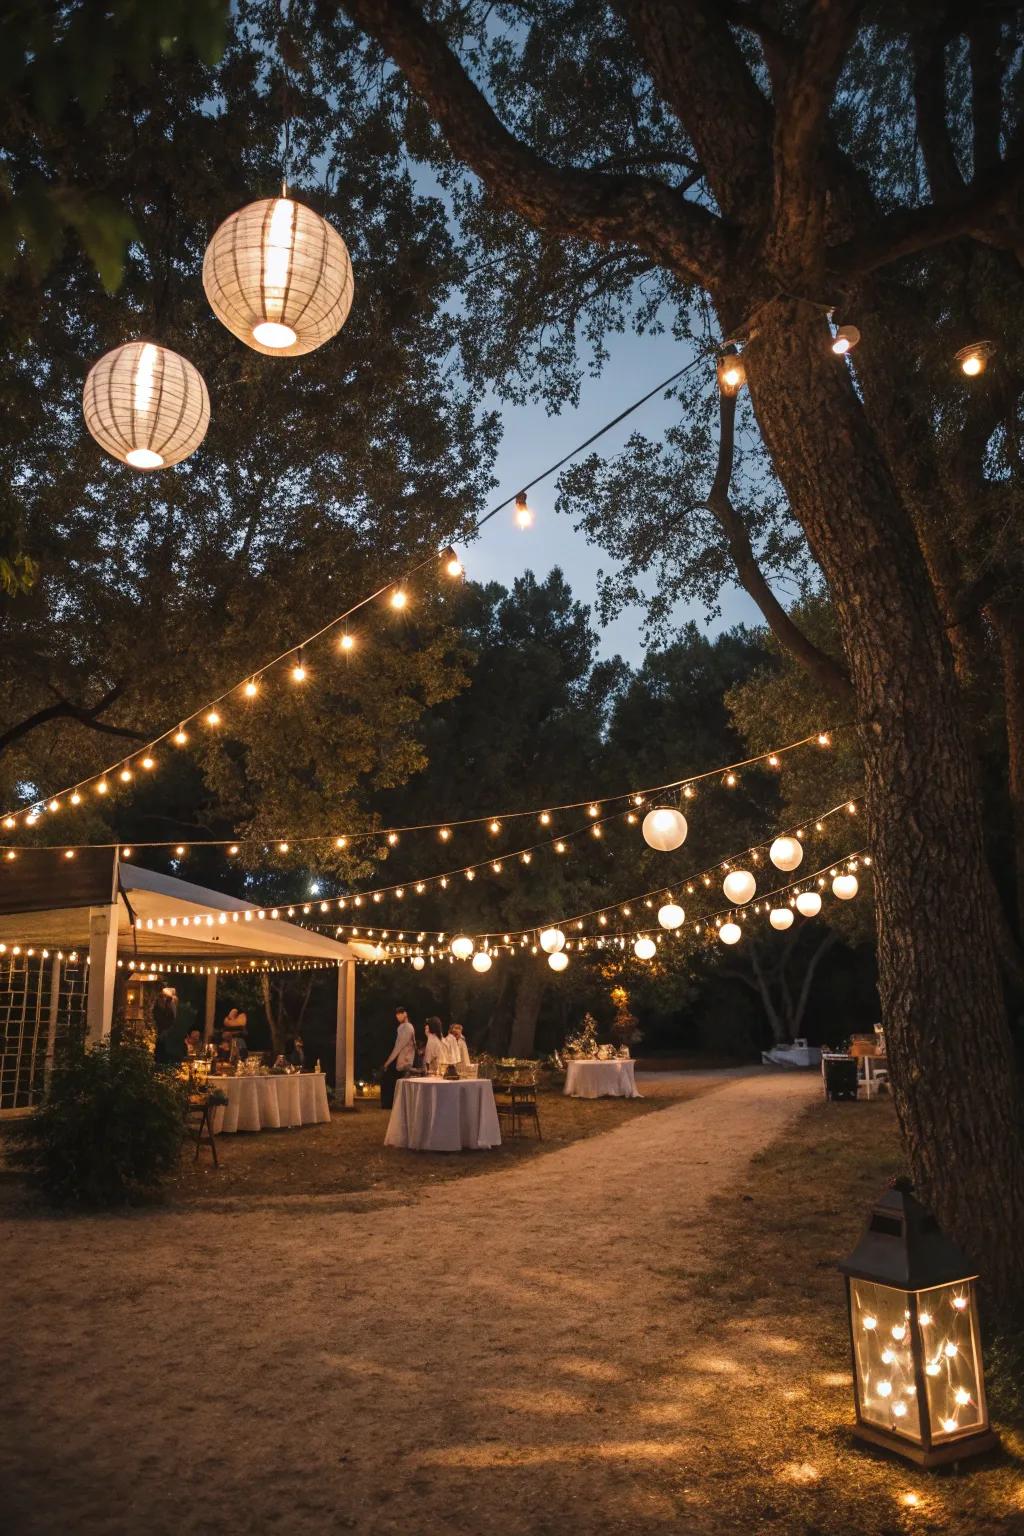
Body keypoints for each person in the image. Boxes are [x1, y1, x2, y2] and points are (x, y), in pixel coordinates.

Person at [381, 1006, 415, 1110]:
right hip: (400, 1059)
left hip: (405, 1060)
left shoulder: (408, 1027)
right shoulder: (401, 1027)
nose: (398, 1017)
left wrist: (388, 1062)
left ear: (405, 1014)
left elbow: (400, 1046)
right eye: (397, 1016)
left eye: (400, 1014)